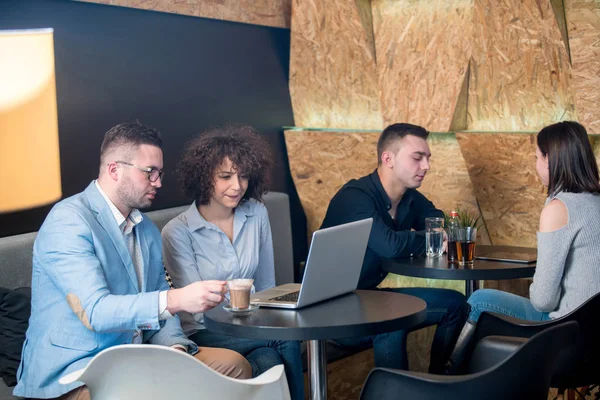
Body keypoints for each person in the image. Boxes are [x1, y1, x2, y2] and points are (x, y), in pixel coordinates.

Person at [14, 123, 251, 400]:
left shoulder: (146, 229)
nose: (159, 182)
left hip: (136, 357)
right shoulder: (68, 221)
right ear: (114, 169)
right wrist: (176, 299)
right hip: (77, 368)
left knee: (236, 367)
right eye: (150, 172)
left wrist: (175, 350)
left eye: (159, 173)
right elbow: (95, 312)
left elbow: (159, 304)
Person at [161, 125, 304, 400]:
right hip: (205, 332)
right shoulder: (178, 232)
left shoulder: (257, 213)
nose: (237, 186)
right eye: (225, 176)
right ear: (204, 177)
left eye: (244, 177)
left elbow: (266, 286)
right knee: (286, 339)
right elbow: (196, 311)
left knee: (268, 358)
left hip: (252, 325)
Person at [448, 121, 600, 370]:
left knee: (478, 299)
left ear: (549, 160)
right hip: (594, 341)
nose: (535, 164)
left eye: (537, 156)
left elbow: (543, 301)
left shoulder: (558, 208)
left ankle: (447, 383)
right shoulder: (596, 202)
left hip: (565, 336)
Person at [320, 122, 468, 374]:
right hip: (329, 309)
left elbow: (436, 219)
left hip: (366, 296)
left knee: (456, 304)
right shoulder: (355, 197)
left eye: (428, 158)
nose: (427, 166)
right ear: (388, 158)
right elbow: (388, 245)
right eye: (417, 158)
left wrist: (434, 232)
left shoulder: (408, 196)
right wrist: (431, 237)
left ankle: (440, 385)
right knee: (392, 320)